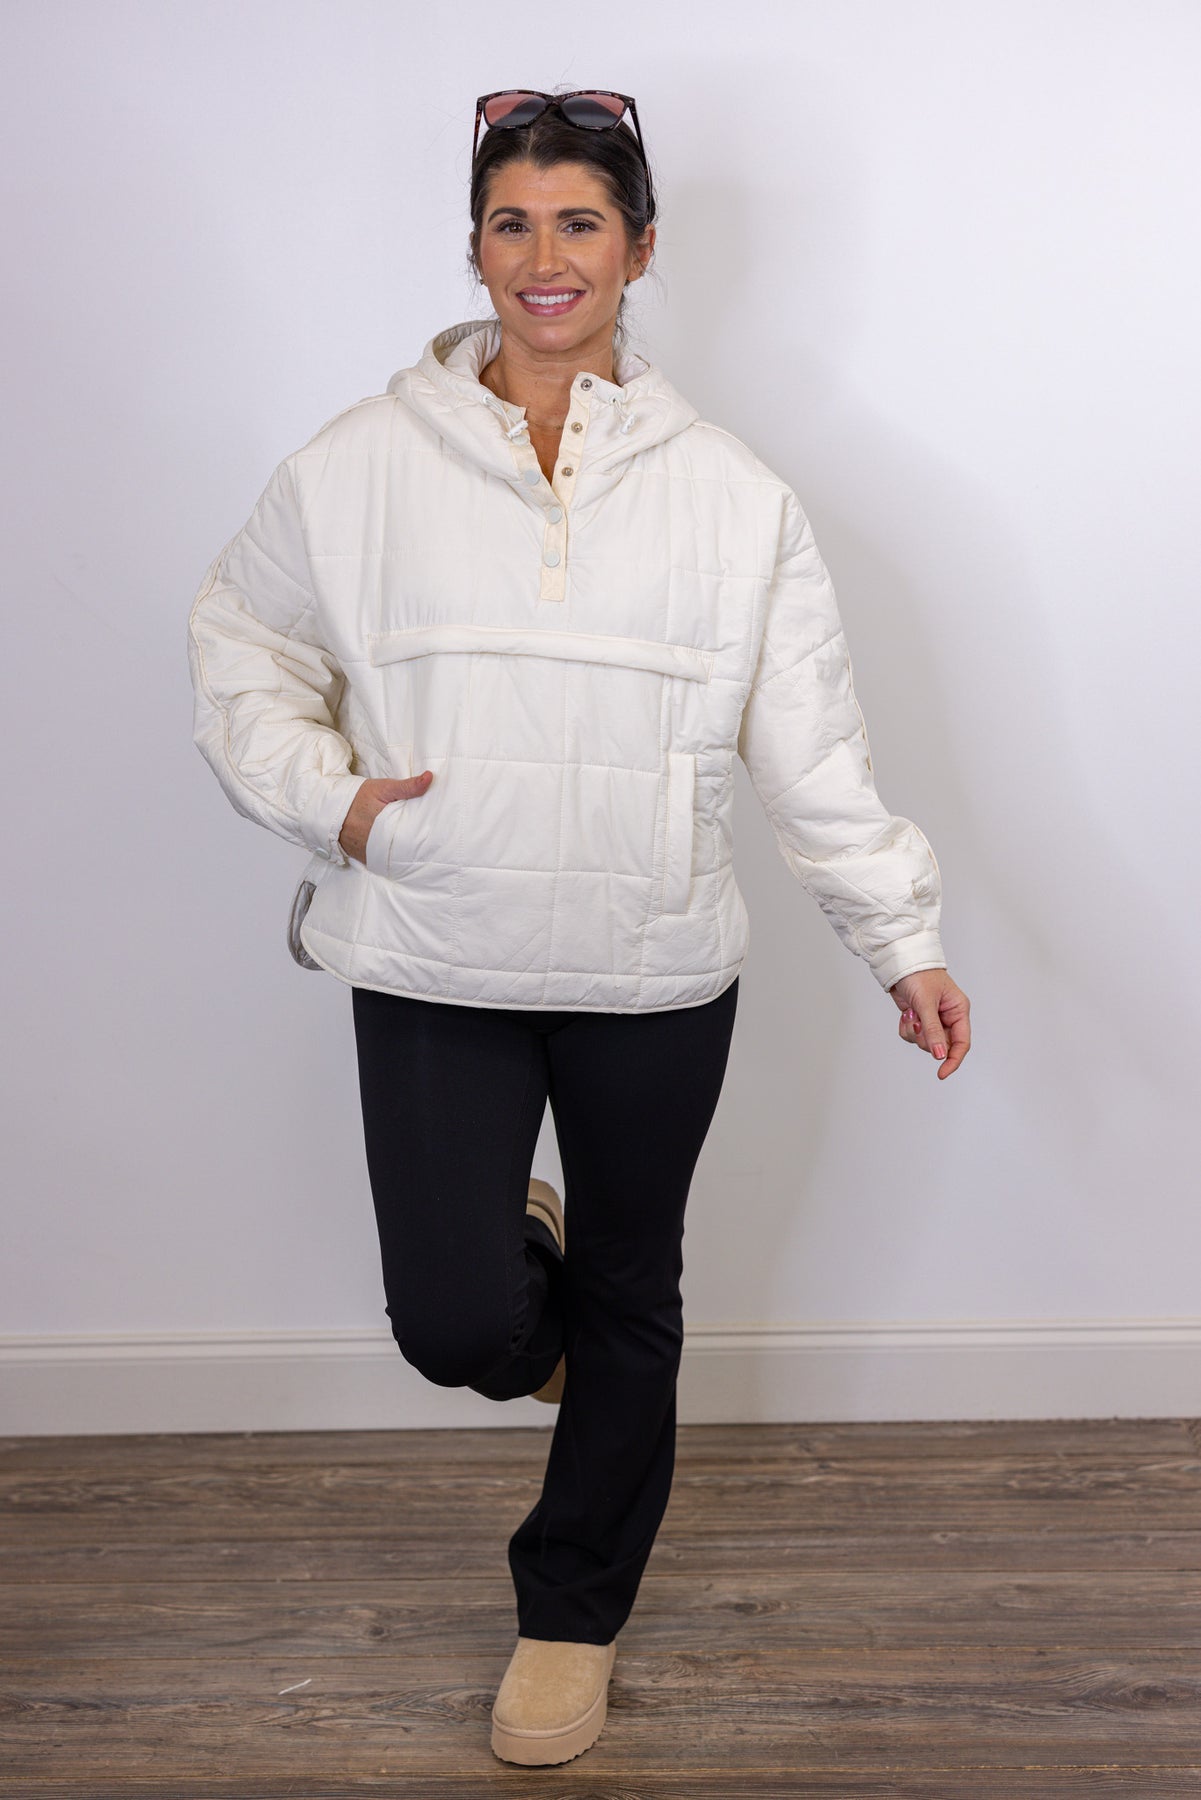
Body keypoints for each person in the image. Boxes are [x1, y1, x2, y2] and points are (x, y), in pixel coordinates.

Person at [187, 86, 971, 1768]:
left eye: (580, 223)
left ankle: (568, 1620)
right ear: (474, 245)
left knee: (634, 1292)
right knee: (456, 1325)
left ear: (640, 248)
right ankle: (519, 1296)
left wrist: (899, 939)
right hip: (430, 939)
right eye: (512, 222)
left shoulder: (735, 496)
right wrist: (336, 804)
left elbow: (809, 747)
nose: (544, 258)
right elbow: (241, 645)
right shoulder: (355, 464)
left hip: (652, 958)